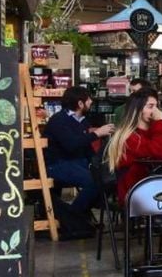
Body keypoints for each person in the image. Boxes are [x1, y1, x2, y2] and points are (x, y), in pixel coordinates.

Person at [43, 87, 115, 239]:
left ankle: (78, 216)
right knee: (93, 181)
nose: (91, 102)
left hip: (76, 162)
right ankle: (74, 217)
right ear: (80, 103)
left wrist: (99, 163)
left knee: (107, 177)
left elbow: (86, 148)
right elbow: (71, 145)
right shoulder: (59, 120)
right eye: (88, 99)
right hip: (57, 164)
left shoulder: (82, 121)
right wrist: (96, 134)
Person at [107, 89, 162, 205]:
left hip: (152, 189)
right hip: (136, 194)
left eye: (157, 106)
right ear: (137, 110)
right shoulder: (129, 137)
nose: (156, 111)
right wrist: (159, 122)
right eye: (150, 106)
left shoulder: (152, 132)